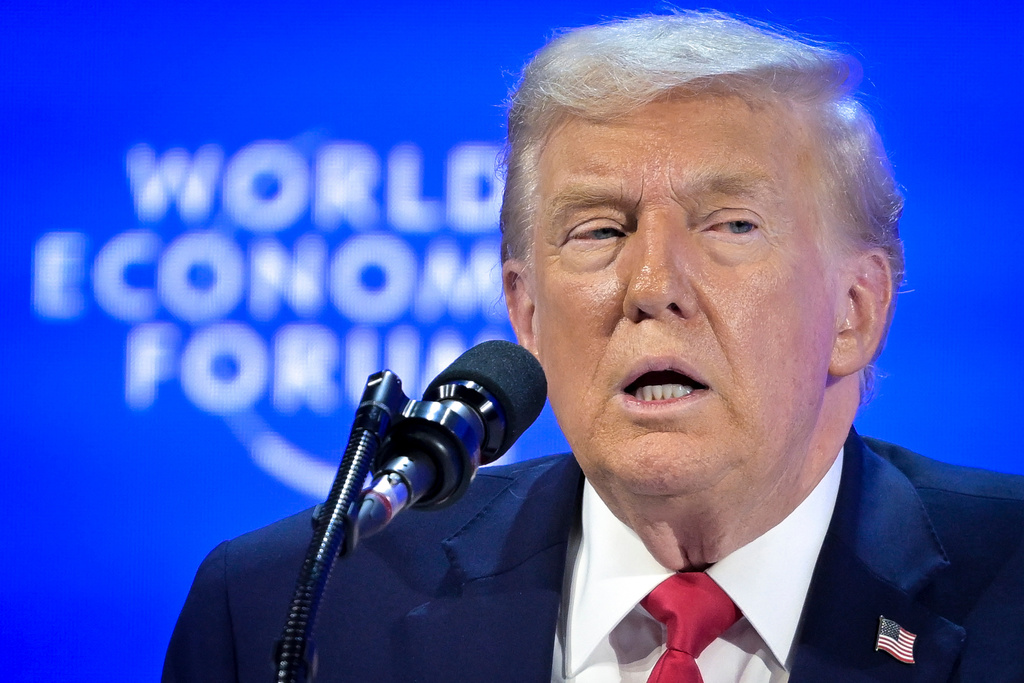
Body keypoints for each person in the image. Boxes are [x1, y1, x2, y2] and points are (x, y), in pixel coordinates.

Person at [164, 11, 1024, 682]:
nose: (652, 284)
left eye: (731, 224)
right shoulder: (288, 606)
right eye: (599, 229)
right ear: (527, 312)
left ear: (855, 310)